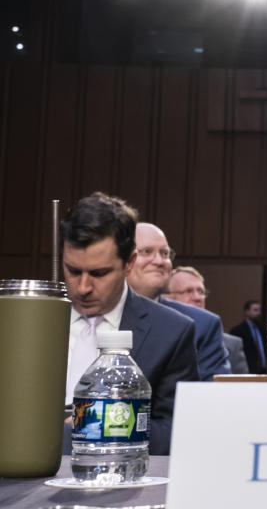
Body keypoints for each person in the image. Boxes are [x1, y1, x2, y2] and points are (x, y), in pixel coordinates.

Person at [61, 192, 198, 455]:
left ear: (129, 263)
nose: (83, 287)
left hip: (124, 485)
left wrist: (90, 425)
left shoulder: (172, 333)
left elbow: (178, 432)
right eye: (73, 271)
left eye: (99, 273)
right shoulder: (23, 322)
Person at [127, 223, 231, 381]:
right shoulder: (94, 312)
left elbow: (212, 397)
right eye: (147, 252)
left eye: (165, 253)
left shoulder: (202, 325)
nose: (159, 261)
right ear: (123, 259)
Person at [168, 265, 250, 374]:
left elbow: (241, 389)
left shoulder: (233, 345)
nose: (198, 298)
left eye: (201, 292)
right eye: (188, 291)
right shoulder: (158, 339)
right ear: (167, 297)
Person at [230, 300, 267, 374]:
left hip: (264, 371)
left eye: (259, 310)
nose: (259, 313)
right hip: (247, 371)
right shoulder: (238, 331)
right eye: (255, 310)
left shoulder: (262, 329)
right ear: (247, 312)